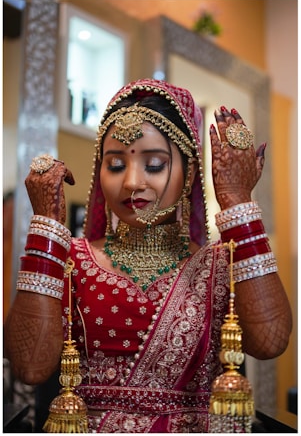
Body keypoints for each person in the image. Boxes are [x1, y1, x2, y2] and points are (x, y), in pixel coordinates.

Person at [4, 78, 292, 433]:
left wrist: (238, 202)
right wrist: (46, 228)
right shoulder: (73, 259)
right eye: (115, 165)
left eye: (154, 165)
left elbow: (270, 343)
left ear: (187, 176)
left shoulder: (220, 262)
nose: (131, 182)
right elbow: (29, 367)